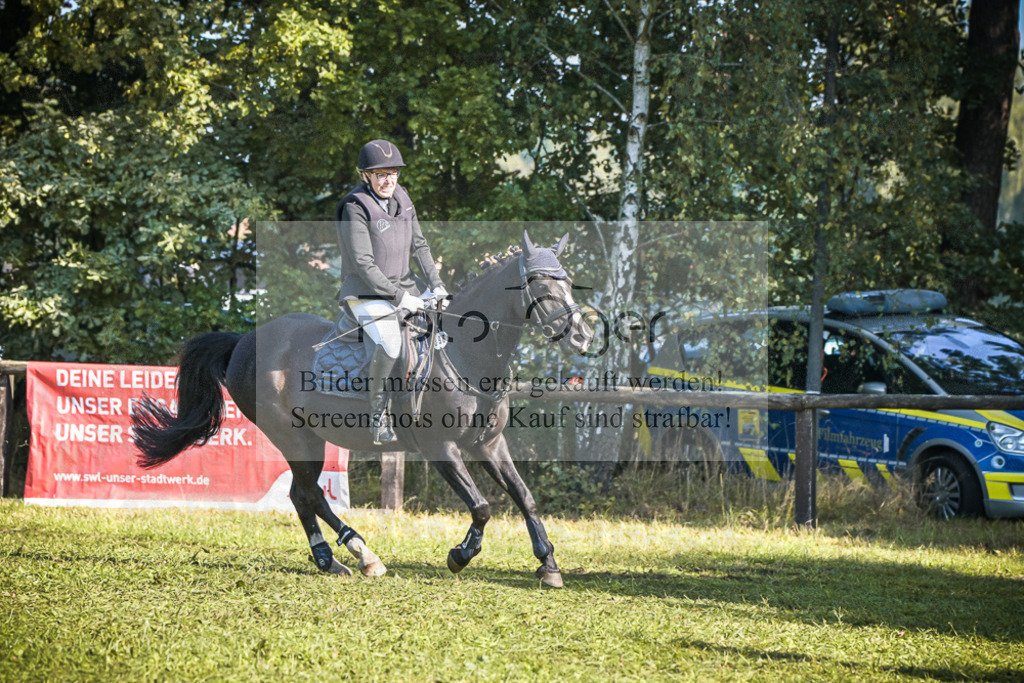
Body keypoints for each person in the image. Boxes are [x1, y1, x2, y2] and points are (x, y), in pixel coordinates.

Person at [335, 139, 448, 444]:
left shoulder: (403, 197)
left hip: (405, 288)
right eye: (380, 174)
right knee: (390, 341)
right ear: (365, 175)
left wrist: (436, 284)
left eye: (393, 173)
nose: (388, 181)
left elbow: (420, 245)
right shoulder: (355, 206)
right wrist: (400, 298)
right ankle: (378, 416)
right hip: (364, 294)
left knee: (442, 328)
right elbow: (363, 264)